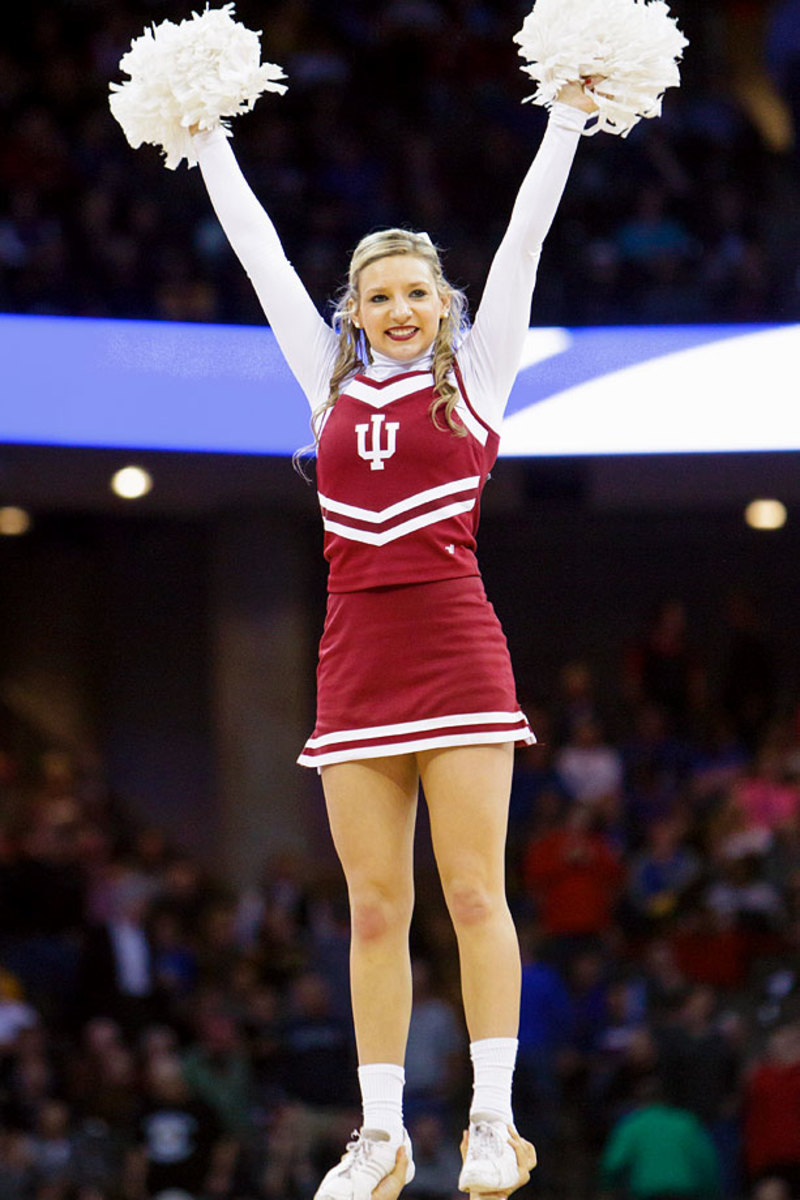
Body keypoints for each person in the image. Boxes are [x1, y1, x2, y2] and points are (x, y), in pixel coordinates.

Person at [188, 56, 600, 1200]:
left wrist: (565, 114)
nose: (402, 310)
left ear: (444, 304)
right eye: (379, 296)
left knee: (473, 893)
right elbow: (262, 256)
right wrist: (206, 137)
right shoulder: (324, 390)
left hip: (457, 646)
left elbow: (522, 237)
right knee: (375, 908)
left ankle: (489, 1120)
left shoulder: (476, 379)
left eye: (418, 292)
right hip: (352, 658)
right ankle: (379, 1135)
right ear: (353, 311)